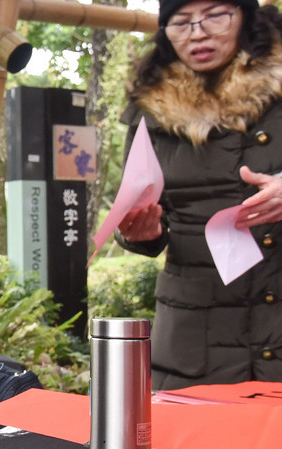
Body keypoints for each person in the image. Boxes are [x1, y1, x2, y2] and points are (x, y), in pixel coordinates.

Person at [116, 0, 282, 390]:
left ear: (246, 16)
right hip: (196, 339)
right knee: (195, 448)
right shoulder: (150, 110)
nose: (197, 32)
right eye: (181, 22)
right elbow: (138, 205)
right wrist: (141, 235)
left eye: (215, 15)